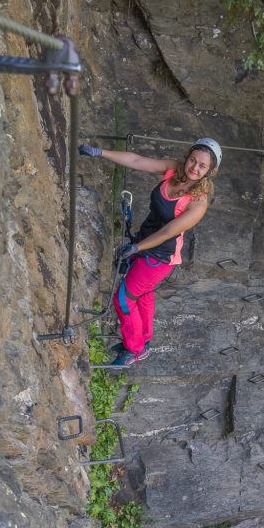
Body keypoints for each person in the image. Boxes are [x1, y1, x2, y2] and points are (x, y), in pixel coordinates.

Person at [78, 137, 221, 368]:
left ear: (210, 171)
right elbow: (137, 160)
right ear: (188, 157)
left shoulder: (198, 203)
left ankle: (134, 349)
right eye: (193, 160)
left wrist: (136, 247)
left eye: (202, 166)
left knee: (124, 298)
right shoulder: (174, 169)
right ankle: (142, 340)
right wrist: (99, 152)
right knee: (143, 296)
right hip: (145, 242)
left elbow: (168, 231)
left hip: (160, 257)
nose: (194, 168)